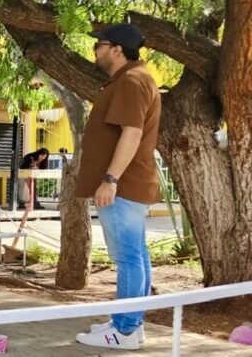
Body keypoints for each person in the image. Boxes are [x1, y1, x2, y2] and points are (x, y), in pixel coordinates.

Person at [74, 24, 161, 350]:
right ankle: (130, 324)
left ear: (117, 49)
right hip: (128, 184)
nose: (95, 50)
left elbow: (132, 133)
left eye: (100, 44)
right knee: (136, 256)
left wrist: (110, 179)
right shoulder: (134, 79)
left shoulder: (132, 81)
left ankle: (123, 331)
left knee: (128, 258)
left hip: (122, 186)